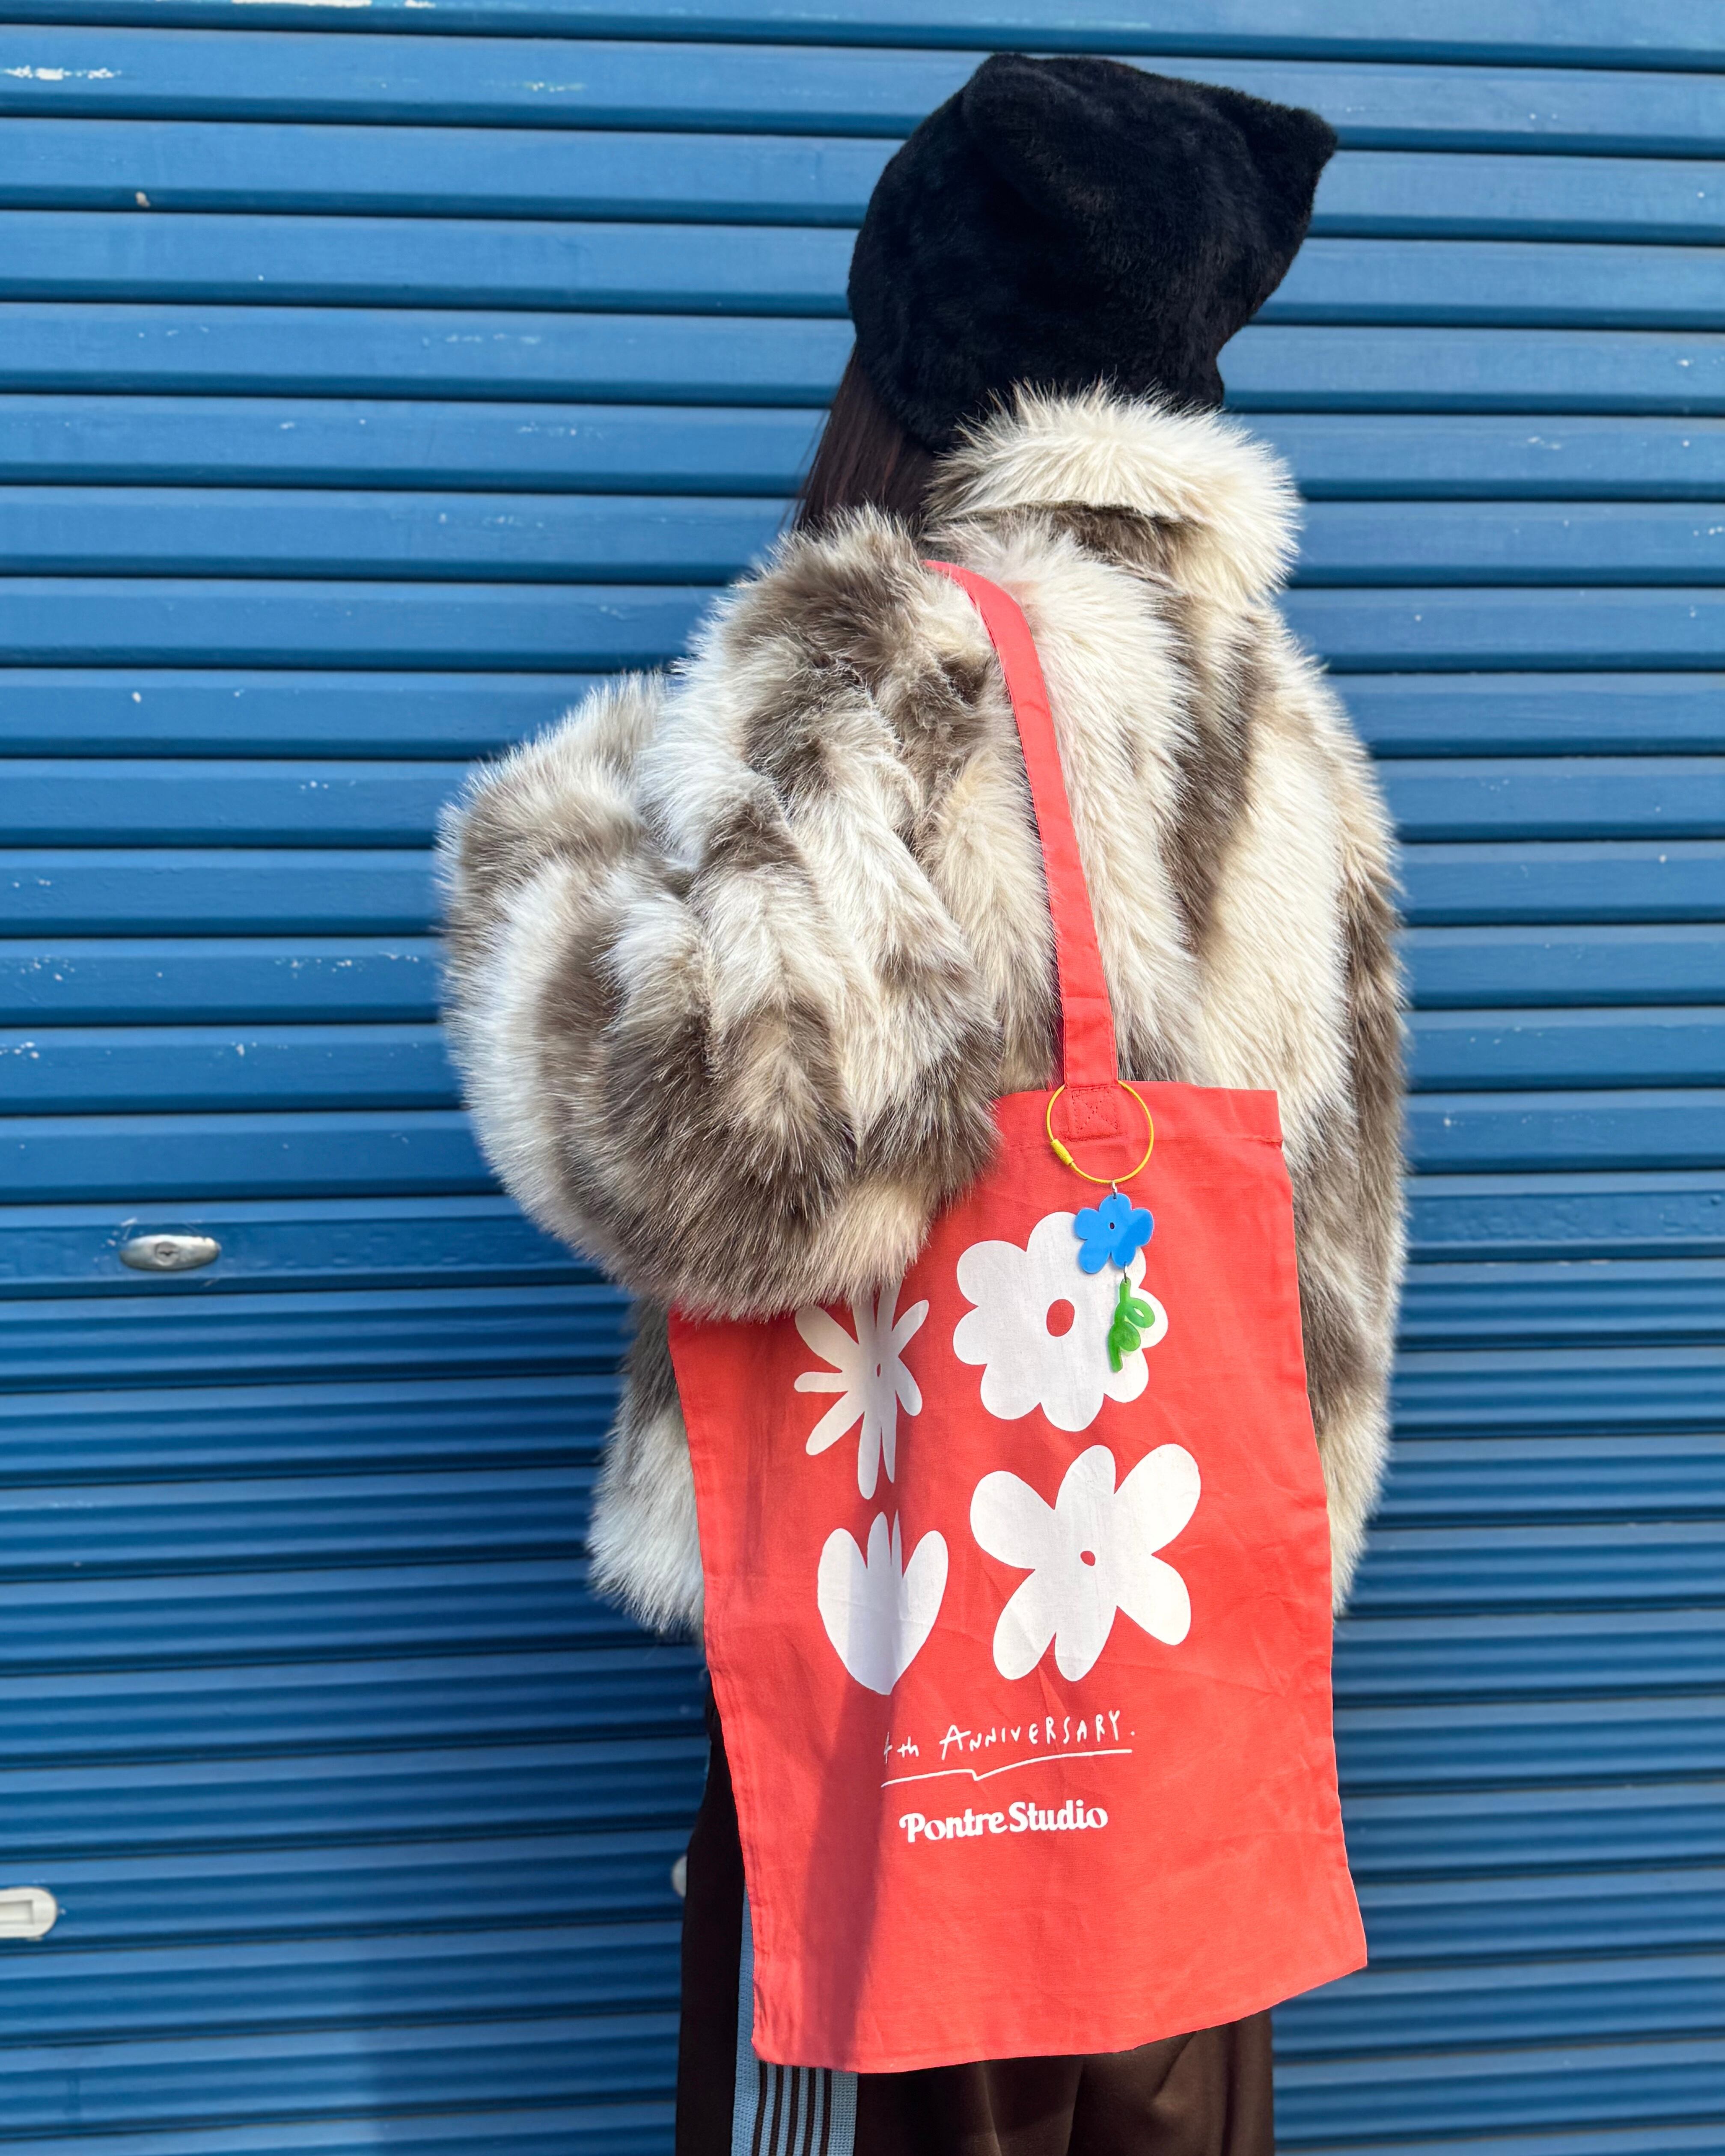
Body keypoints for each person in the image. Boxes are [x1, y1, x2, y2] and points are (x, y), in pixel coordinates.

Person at [440, 52, 1403, 2156]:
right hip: (1163, 1691)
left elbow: (719, 1178)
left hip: (913, 1705)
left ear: (910, 348)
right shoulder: (1289, 728)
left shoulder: (886, 665)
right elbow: (1324, 1259)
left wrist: (547, 858)